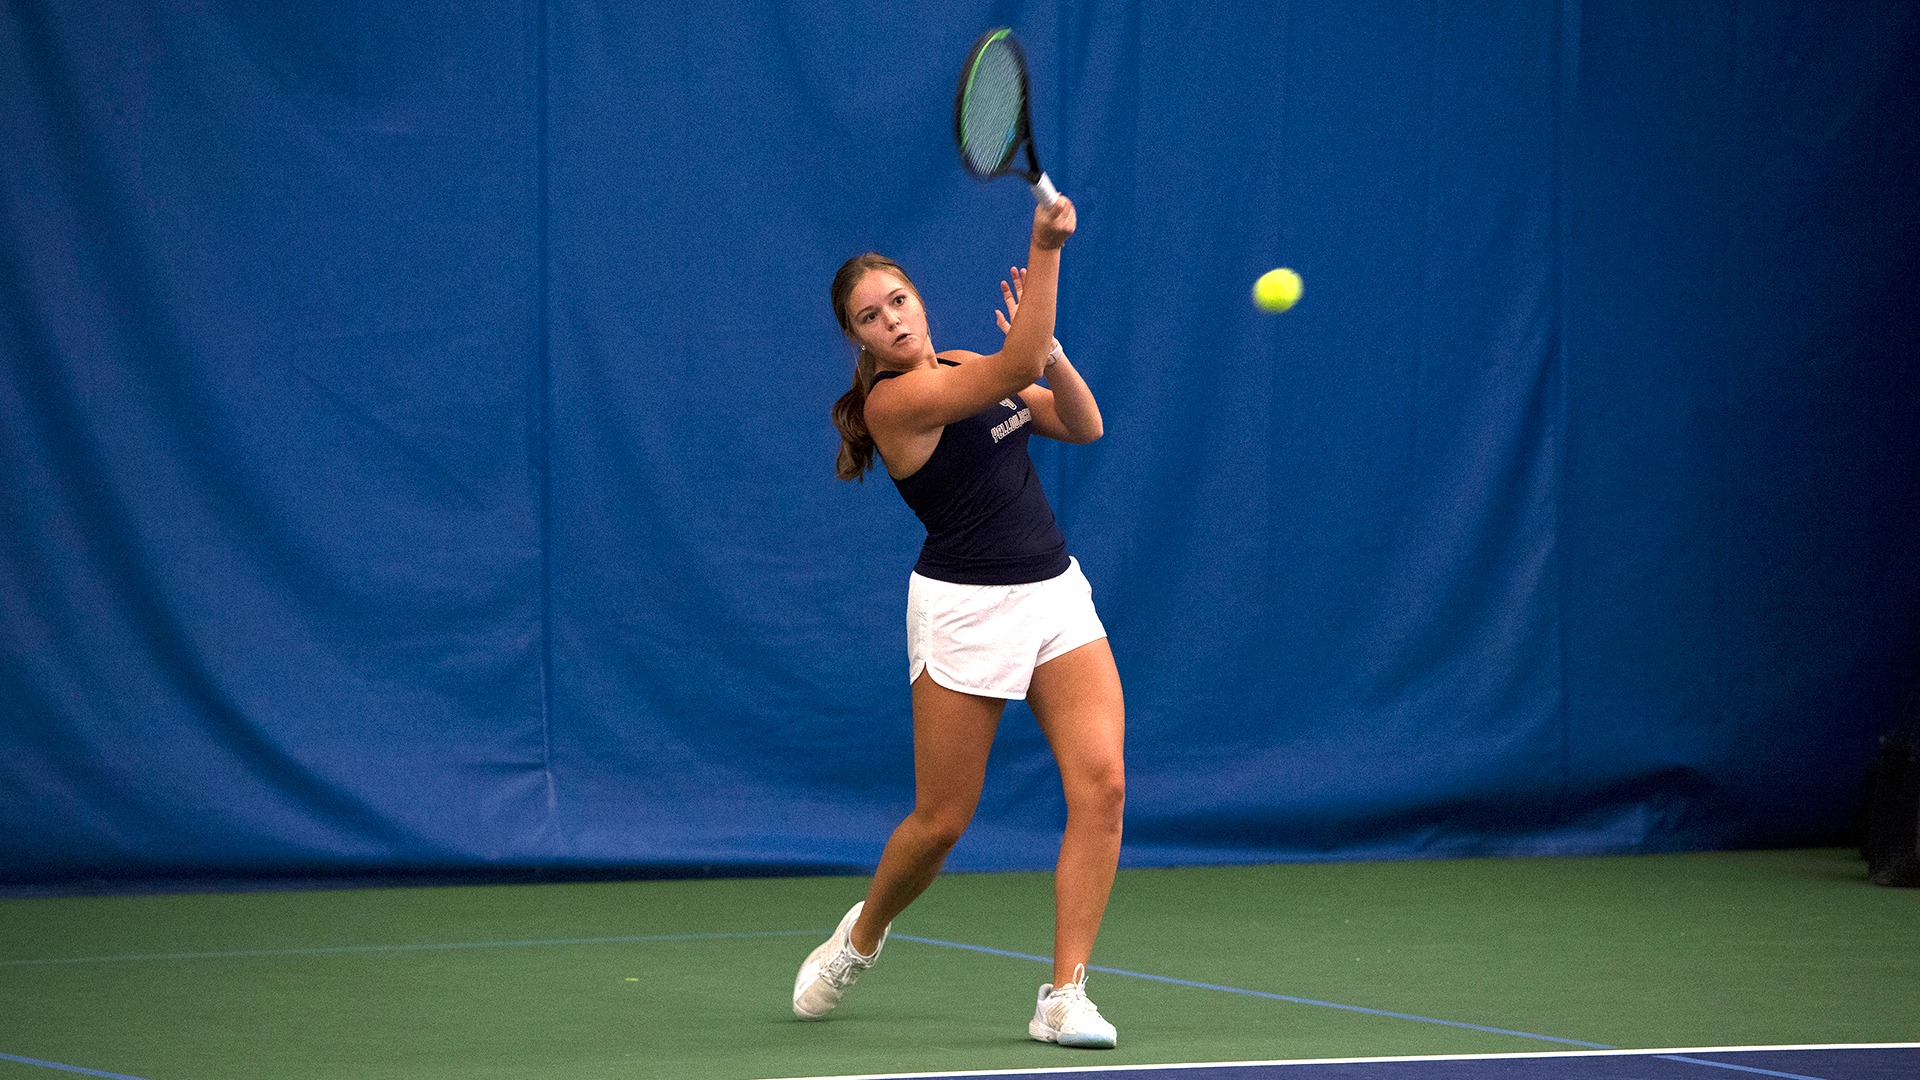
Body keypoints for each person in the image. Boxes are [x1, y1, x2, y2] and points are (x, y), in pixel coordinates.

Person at [796, 196, 1126, 1049]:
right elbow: (1012, 360)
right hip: (964, 609)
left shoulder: (977, 361)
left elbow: (1081, 424)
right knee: (942, 821)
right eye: (870, 317)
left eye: (896, 300)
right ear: (859, 340)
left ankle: (1064, 996)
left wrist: (1047, 353)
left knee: (1103, 785)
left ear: (917, 299)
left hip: (1054, 593)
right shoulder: (896, 407)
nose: (890, 320)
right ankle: (862, 935)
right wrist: (1044, 245)